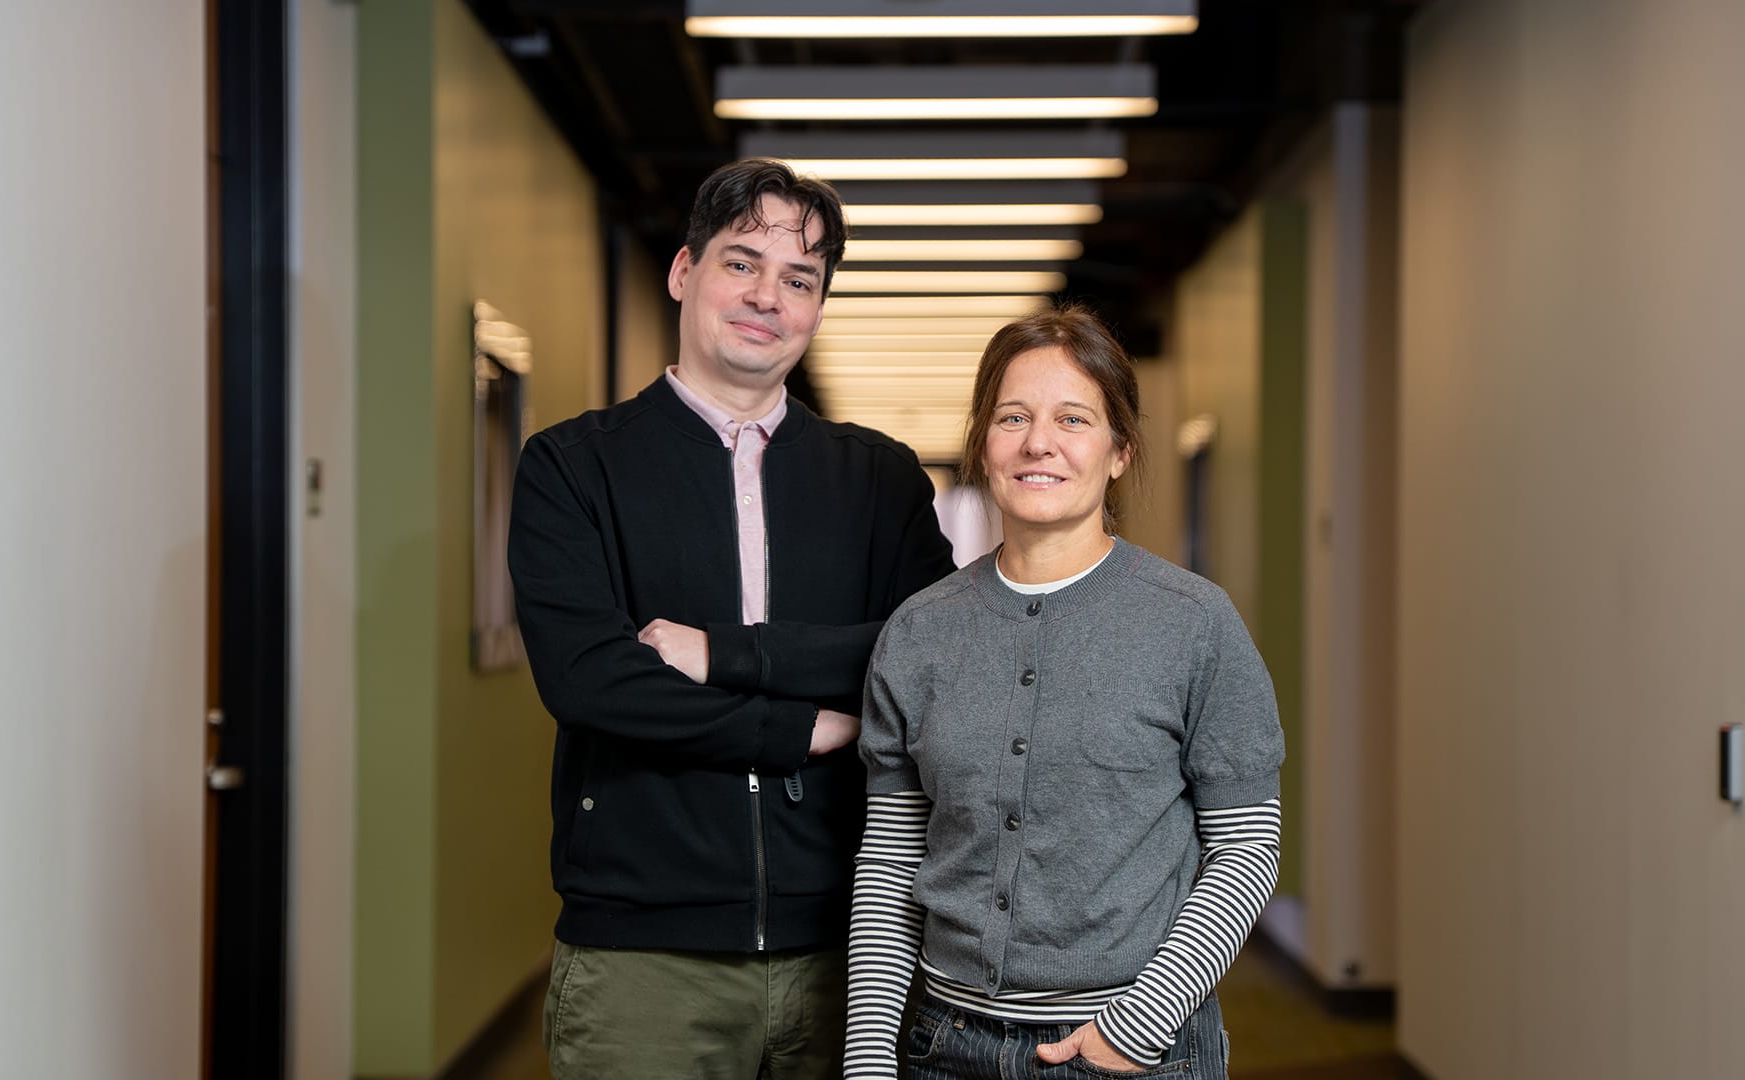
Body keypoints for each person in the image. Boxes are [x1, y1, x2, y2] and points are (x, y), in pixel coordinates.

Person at [508, 158, 955, 1080]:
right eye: (742, 263)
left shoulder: (880, 479)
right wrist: (804, 728)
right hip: (643, 962)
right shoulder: (572, 467)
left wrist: (725, 655)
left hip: (853, 946)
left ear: (818, 308)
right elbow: (592, 680)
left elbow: (928, 654)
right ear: (685, 272)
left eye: (800, 279)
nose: (766, 298)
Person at [843, 307, 1284, 1078]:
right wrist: (869, 1061)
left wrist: (1139, 1024)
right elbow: (890, 861)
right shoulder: (918, 633)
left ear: (1120, 451)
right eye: (1012, 417)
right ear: (984, 444)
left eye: (1073, 419)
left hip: (1133, 1049)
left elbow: (1246, 847)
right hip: (945, 1046)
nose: (1038, 443)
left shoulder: (1194, 624)